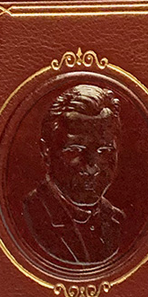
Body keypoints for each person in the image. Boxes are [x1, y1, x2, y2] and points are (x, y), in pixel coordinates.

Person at [23, 84, 125, 265]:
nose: (91, 167)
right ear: (46, 152)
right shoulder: (29, 215)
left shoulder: (117, 219)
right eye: (75, 150)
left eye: (104, 151)